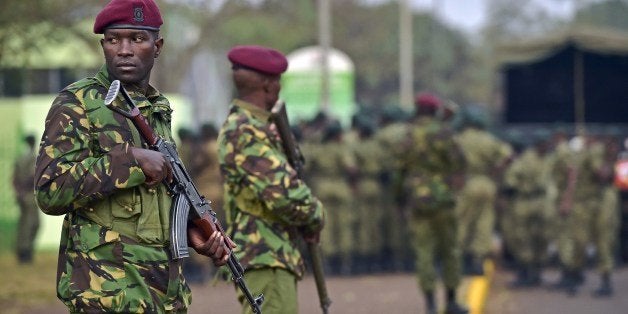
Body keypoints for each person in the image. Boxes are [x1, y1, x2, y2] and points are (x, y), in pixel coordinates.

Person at [34, 0, 230, 312]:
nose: (124, 50)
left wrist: (191, 233)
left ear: (158, 46)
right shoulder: (77, 103)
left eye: (137, 39)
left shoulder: (158, 106)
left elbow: (157, 194)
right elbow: (50, 191)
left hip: (164, 294)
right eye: (114, 40)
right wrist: (130, 161)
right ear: (103, 46)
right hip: (108, 294)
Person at [217, 45, 325, 314]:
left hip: (271, 251)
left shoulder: (253, 126)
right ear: (268, 85)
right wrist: (315, 215)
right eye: (277, 81)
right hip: (266, 253)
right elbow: (283, 193)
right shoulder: (246, 129)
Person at [397, 92, 468, 314]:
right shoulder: (444, 133)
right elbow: (460, 162)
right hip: (444, 199)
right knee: (449, 250)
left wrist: (399, 199)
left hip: (418, 200)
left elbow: (399, 170)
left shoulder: (407, 135)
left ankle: (430, 304)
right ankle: (451, 301)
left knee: (424, 251)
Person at [12, 134, 40, 264]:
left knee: (24, 223)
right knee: (32, 224)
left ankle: (22, 251)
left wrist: (19, 193)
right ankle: (25, 252)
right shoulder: (34, 157)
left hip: (21, 195)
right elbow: (32, 176)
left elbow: (14, 178)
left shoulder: (20, 157)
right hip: (30, 195)